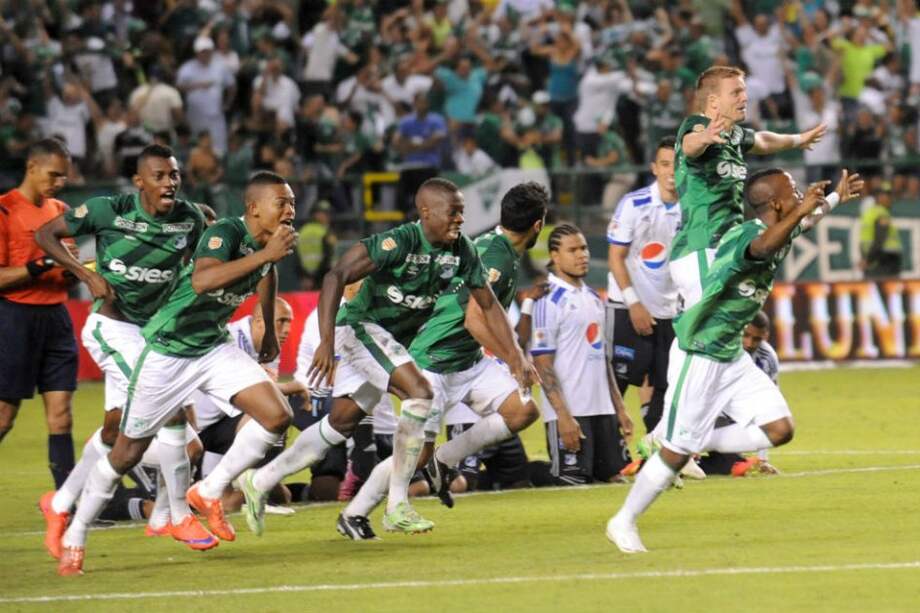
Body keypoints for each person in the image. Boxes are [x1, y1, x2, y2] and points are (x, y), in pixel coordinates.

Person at [239, 178, 534, 536]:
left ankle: (262, 479)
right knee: (420, 394)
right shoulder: (399, 241)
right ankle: (397, 505)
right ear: (426, 213)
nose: (459, 219)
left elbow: (488, 304)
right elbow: (336, 276)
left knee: (340, 424)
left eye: (462, 213)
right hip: (360, 328)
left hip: (390, 341)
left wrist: (516, 357)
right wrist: (326, 341)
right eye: (452, 212)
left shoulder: (463, 251)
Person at [607, 168, 863, 554]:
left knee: (780, 429)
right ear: (776, 203)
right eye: (792, 190)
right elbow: (761, 248)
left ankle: (688, 438)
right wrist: (802, 211)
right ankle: (623, 521)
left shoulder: (782, 228)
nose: (799, 193)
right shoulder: (744, 236)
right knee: (676, 455)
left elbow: (801, 224)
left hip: (730, 354)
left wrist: (836, 198)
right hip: (701, 350)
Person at [55, 171, 298, 576]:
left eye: (291, 202)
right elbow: (203, 280)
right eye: (282, 202)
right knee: (125, 453)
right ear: (254, 207)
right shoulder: (222, 233)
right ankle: (76, 532)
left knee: (277, 415)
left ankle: (209, 490)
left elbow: (266, 273)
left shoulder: (268, 245)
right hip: (167, 350)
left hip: (211, 347)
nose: (290, 210)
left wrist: (269, 331)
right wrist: (265, 256)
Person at [332, 182, 549, 539]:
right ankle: (355, 513)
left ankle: (442, 460)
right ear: (538, 225)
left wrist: (514, 356)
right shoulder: (495, 256)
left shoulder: (497, 250)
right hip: (432, 362)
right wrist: (514, 359)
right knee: (412, 455)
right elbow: (475, 319)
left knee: (522, 410)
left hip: (468, 361)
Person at [35, 144, 209, 558]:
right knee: (170, 414)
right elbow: (45, 235)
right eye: (160, 176)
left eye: (174, 175)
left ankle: (58, 504)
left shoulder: (190, 219)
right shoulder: (107, 210)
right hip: (112, 327)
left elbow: (199, 266)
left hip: (152, 333)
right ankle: (176, 515)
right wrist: (84, 275)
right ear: (139, 182)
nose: (170, 182)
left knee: (115, 431)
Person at [668, 66, 827, 314]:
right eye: (736, 93)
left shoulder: (734, 135)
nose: (745, 98)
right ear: (713, 100)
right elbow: (690, 145)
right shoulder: (697, 126)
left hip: (724, 247)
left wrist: (799, 140)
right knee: (703, 332)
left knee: (723, 328)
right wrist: (705, 137)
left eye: (744, 92)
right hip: (700, 248)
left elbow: (763, 140)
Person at [531, 224, 634, 486]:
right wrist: (563, 417)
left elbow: (603, 358)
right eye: (573, 250)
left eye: (584, 248)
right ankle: (528, 473)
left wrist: (619, 408)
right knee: (573, 483)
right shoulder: (547, 300)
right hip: (571, 413)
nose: (582, 255)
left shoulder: (593, 297)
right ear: (555, 256)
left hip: (603, 411)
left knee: (617, 480)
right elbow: (543, 365)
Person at [0, 139, 77, 490]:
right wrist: (45, 261)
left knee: (61, 416)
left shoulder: (60, 209)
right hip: (14, 320)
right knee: (4, 415)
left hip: (57, 319)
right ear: (32, 167)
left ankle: (67, 504)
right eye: (53, 174)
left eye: (63, 177)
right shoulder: (4, 210)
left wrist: (75, 267)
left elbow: (68, 267)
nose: (58, 183)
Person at [606, 136, 680, 435]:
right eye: (665, 164)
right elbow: (615, 257)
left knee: (663, 385)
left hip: (669, 310)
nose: (671, 171)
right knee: (617, 382)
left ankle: (655, 449)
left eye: (677, 164)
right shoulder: (633, 205)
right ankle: (611, 450)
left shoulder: (691, 207)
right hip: (627, 308)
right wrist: (633, 302)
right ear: (654, 168)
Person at [699, 310, 782, 478]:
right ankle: (682, 455)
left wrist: (762, 460)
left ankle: (687, 462)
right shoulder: (719, 350)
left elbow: (767, 409)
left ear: (766, 335)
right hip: (703, 417)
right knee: (736, 463)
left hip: (730, 421)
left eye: (757, 339)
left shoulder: (767, 359)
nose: (749, 343)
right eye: (746, 335)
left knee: (732, 464)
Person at [177, 36, 236, 155]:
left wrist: (227, 104)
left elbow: (231, 86)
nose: (204, 54)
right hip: (195, 115)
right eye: (201, 52)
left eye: (207, 51)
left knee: (218, 149)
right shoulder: (187, 68)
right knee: (196, 149)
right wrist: (198, 85)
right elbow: (179, 87)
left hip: (215, 116)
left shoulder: (221, 66)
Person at [859, 181, 902, 278]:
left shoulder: (870, 214)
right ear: (878, 197)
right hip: (883, 261)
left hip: (877, 260)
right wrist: (868, 260)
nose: (890, 199)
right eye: (886, 195)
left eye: (890, 195)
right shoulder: (881, 213)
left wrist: (866, 259)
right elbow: (879, 239)